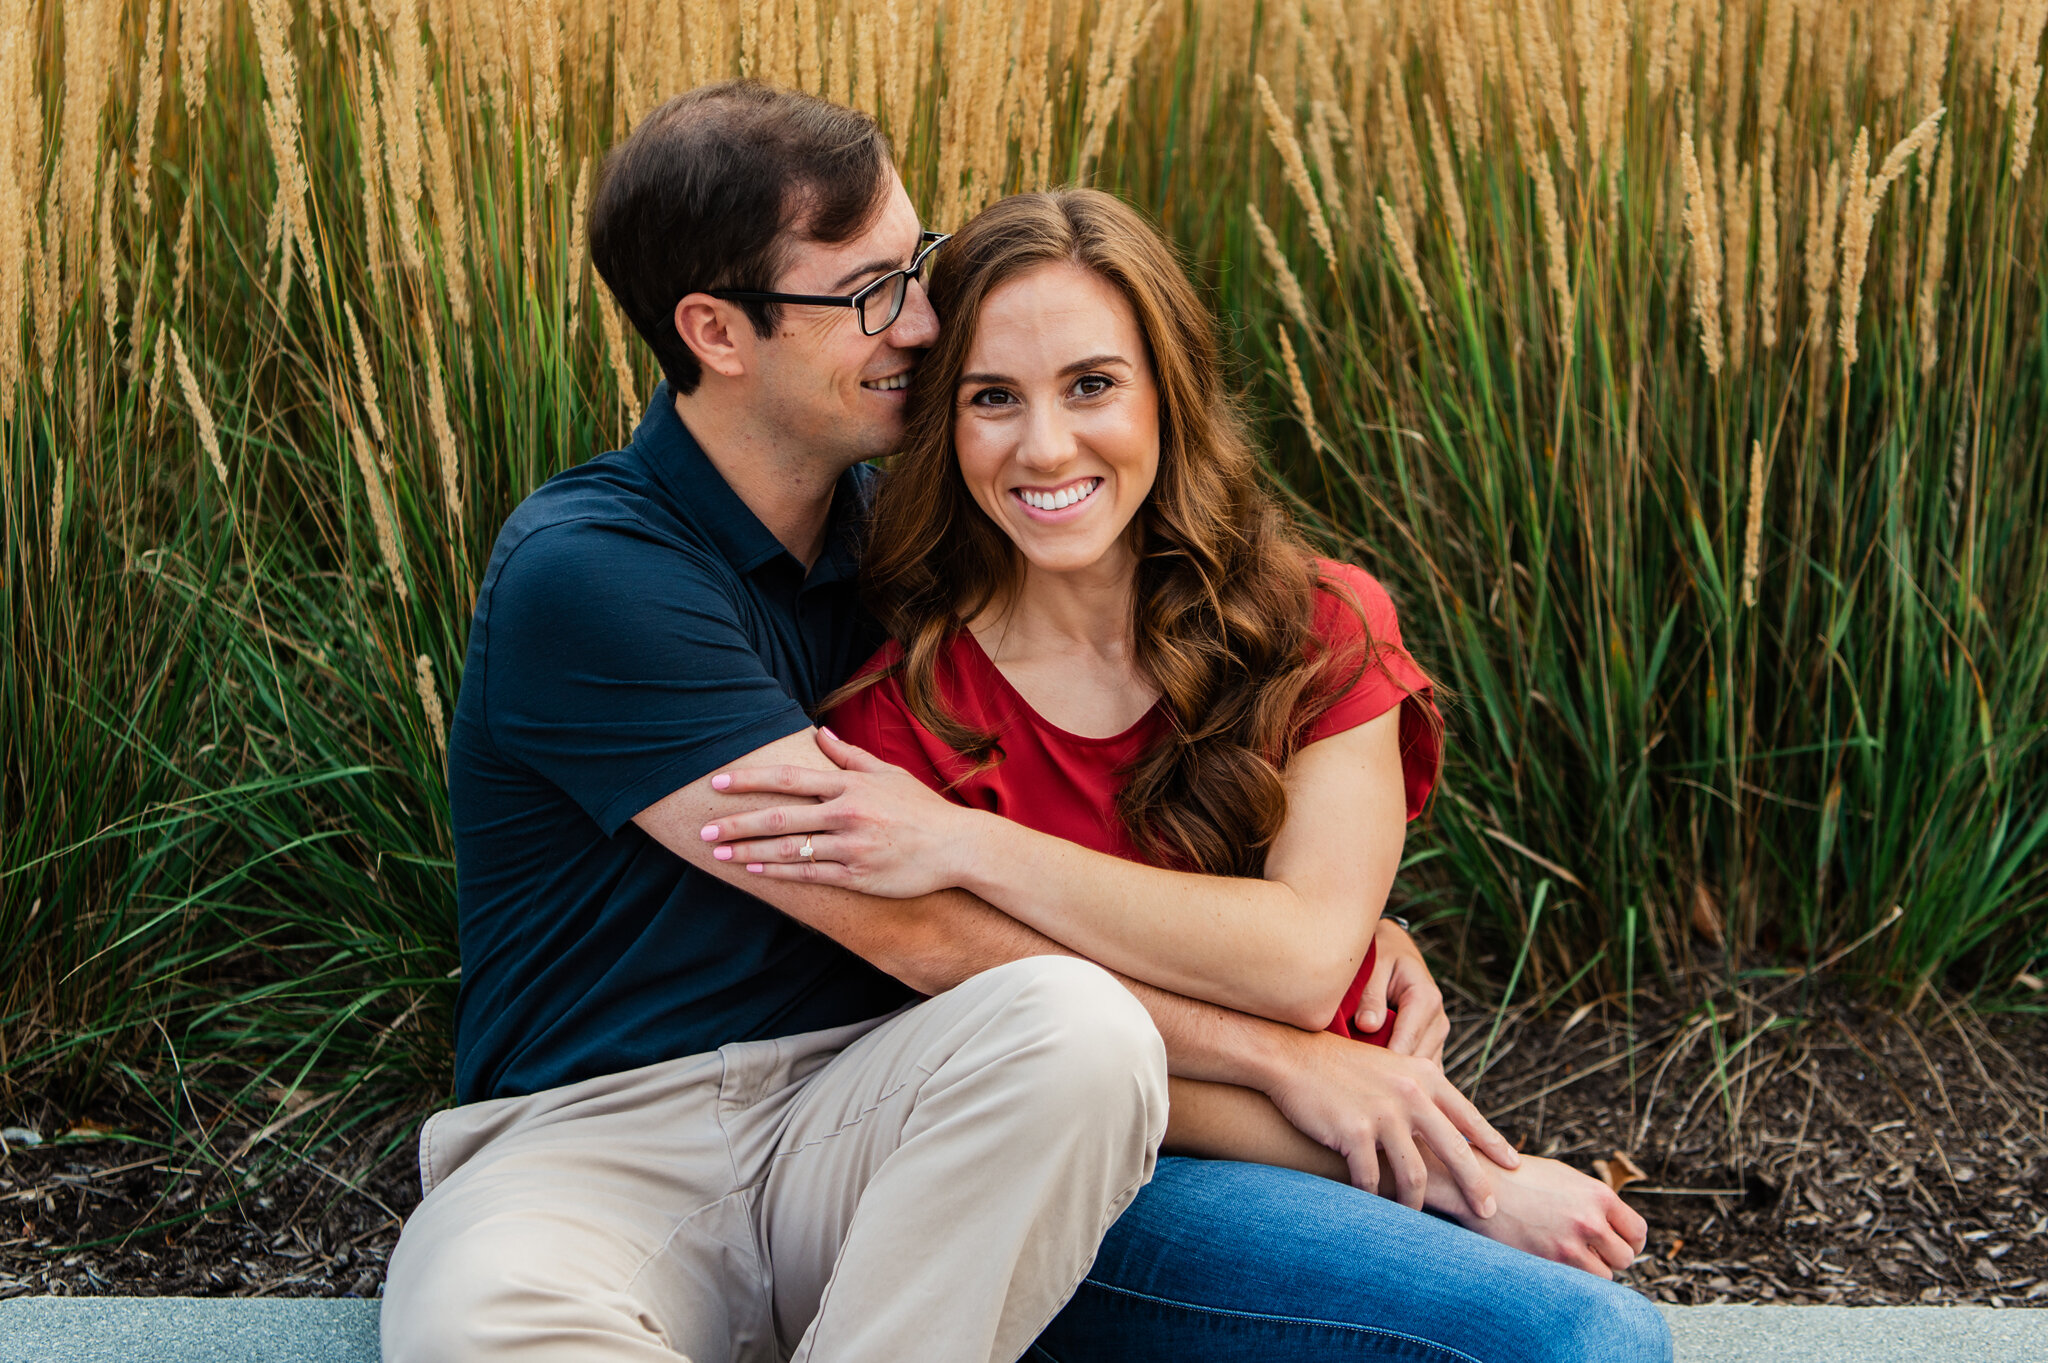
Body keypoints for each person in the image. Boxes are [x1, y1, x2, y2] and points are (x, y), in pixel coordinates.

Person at [379, 77, 1662, 1362]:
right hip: (606, 1150)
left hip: (892, 1113)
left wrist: (1330, 914)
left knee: (1074, 1030)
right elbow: (914, 920)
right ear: (715, 330)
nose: (928, 322)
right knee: (491, 1329)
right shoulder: (592, 571)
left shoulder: (924, 548)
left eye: (919, 264)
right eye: (871, 291)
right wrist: (1287, 1057)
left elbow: (1069, 860)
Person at [700, 188, 1676, 1361]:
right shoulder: (900, 721)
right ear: (943, 426)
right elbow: (1047, 1072)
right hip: (1064, 1203)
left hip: (1303, 1168)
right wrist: (1467, 1180)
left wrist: (972, 844)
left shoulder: (1318, 624)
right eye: (991, 399)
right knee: (1577, 1342)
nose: (1044, 447)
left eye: (1091, 385)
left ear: (1170, 389)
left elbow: (1307, 956)